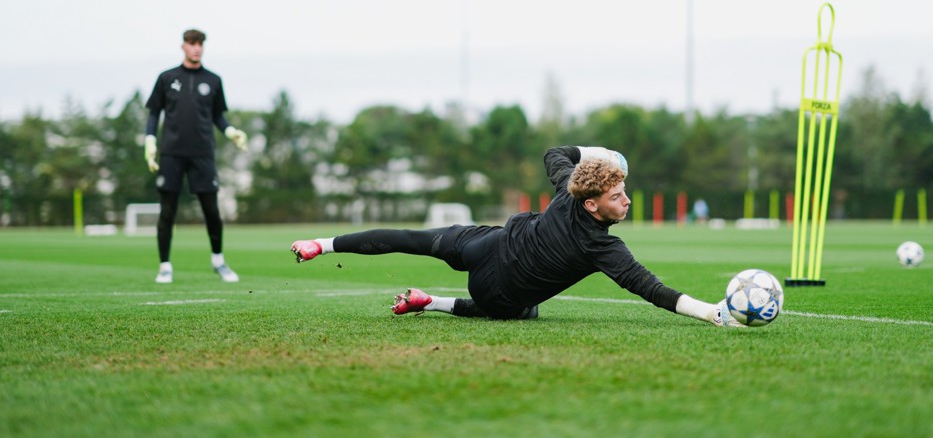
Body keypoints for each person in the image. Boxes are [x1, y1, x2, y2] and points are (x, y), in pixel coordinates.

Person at [290, 146, 743, 326]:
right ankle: (434, 303)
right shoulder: (603, 246)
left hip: (483, 246)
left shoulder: (570, 190)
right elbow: (652, 290)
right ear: (592, 203)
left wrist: (606, 156)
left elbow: (557, 152)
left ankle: (320, 245)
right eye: (618, 194)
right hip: (495, 293)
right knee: (525, 310)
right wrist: (713, 313)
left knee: (413, 238)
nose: (626, 201)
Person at [144, 28, 249, 284]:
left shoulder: (213, 80)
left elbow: (217, 116)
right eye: (192, 43)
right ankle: (165, 267)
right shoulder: (167, 78)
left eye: (200, 43)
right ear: (183, 46)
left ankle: (219, 262)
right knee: (167, 212)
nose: (196, 47)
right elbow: (154, 112)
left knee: (212, 211)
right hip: (171, 154)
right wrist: (150, 140)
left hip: (202, 153)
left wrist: (231, 131)